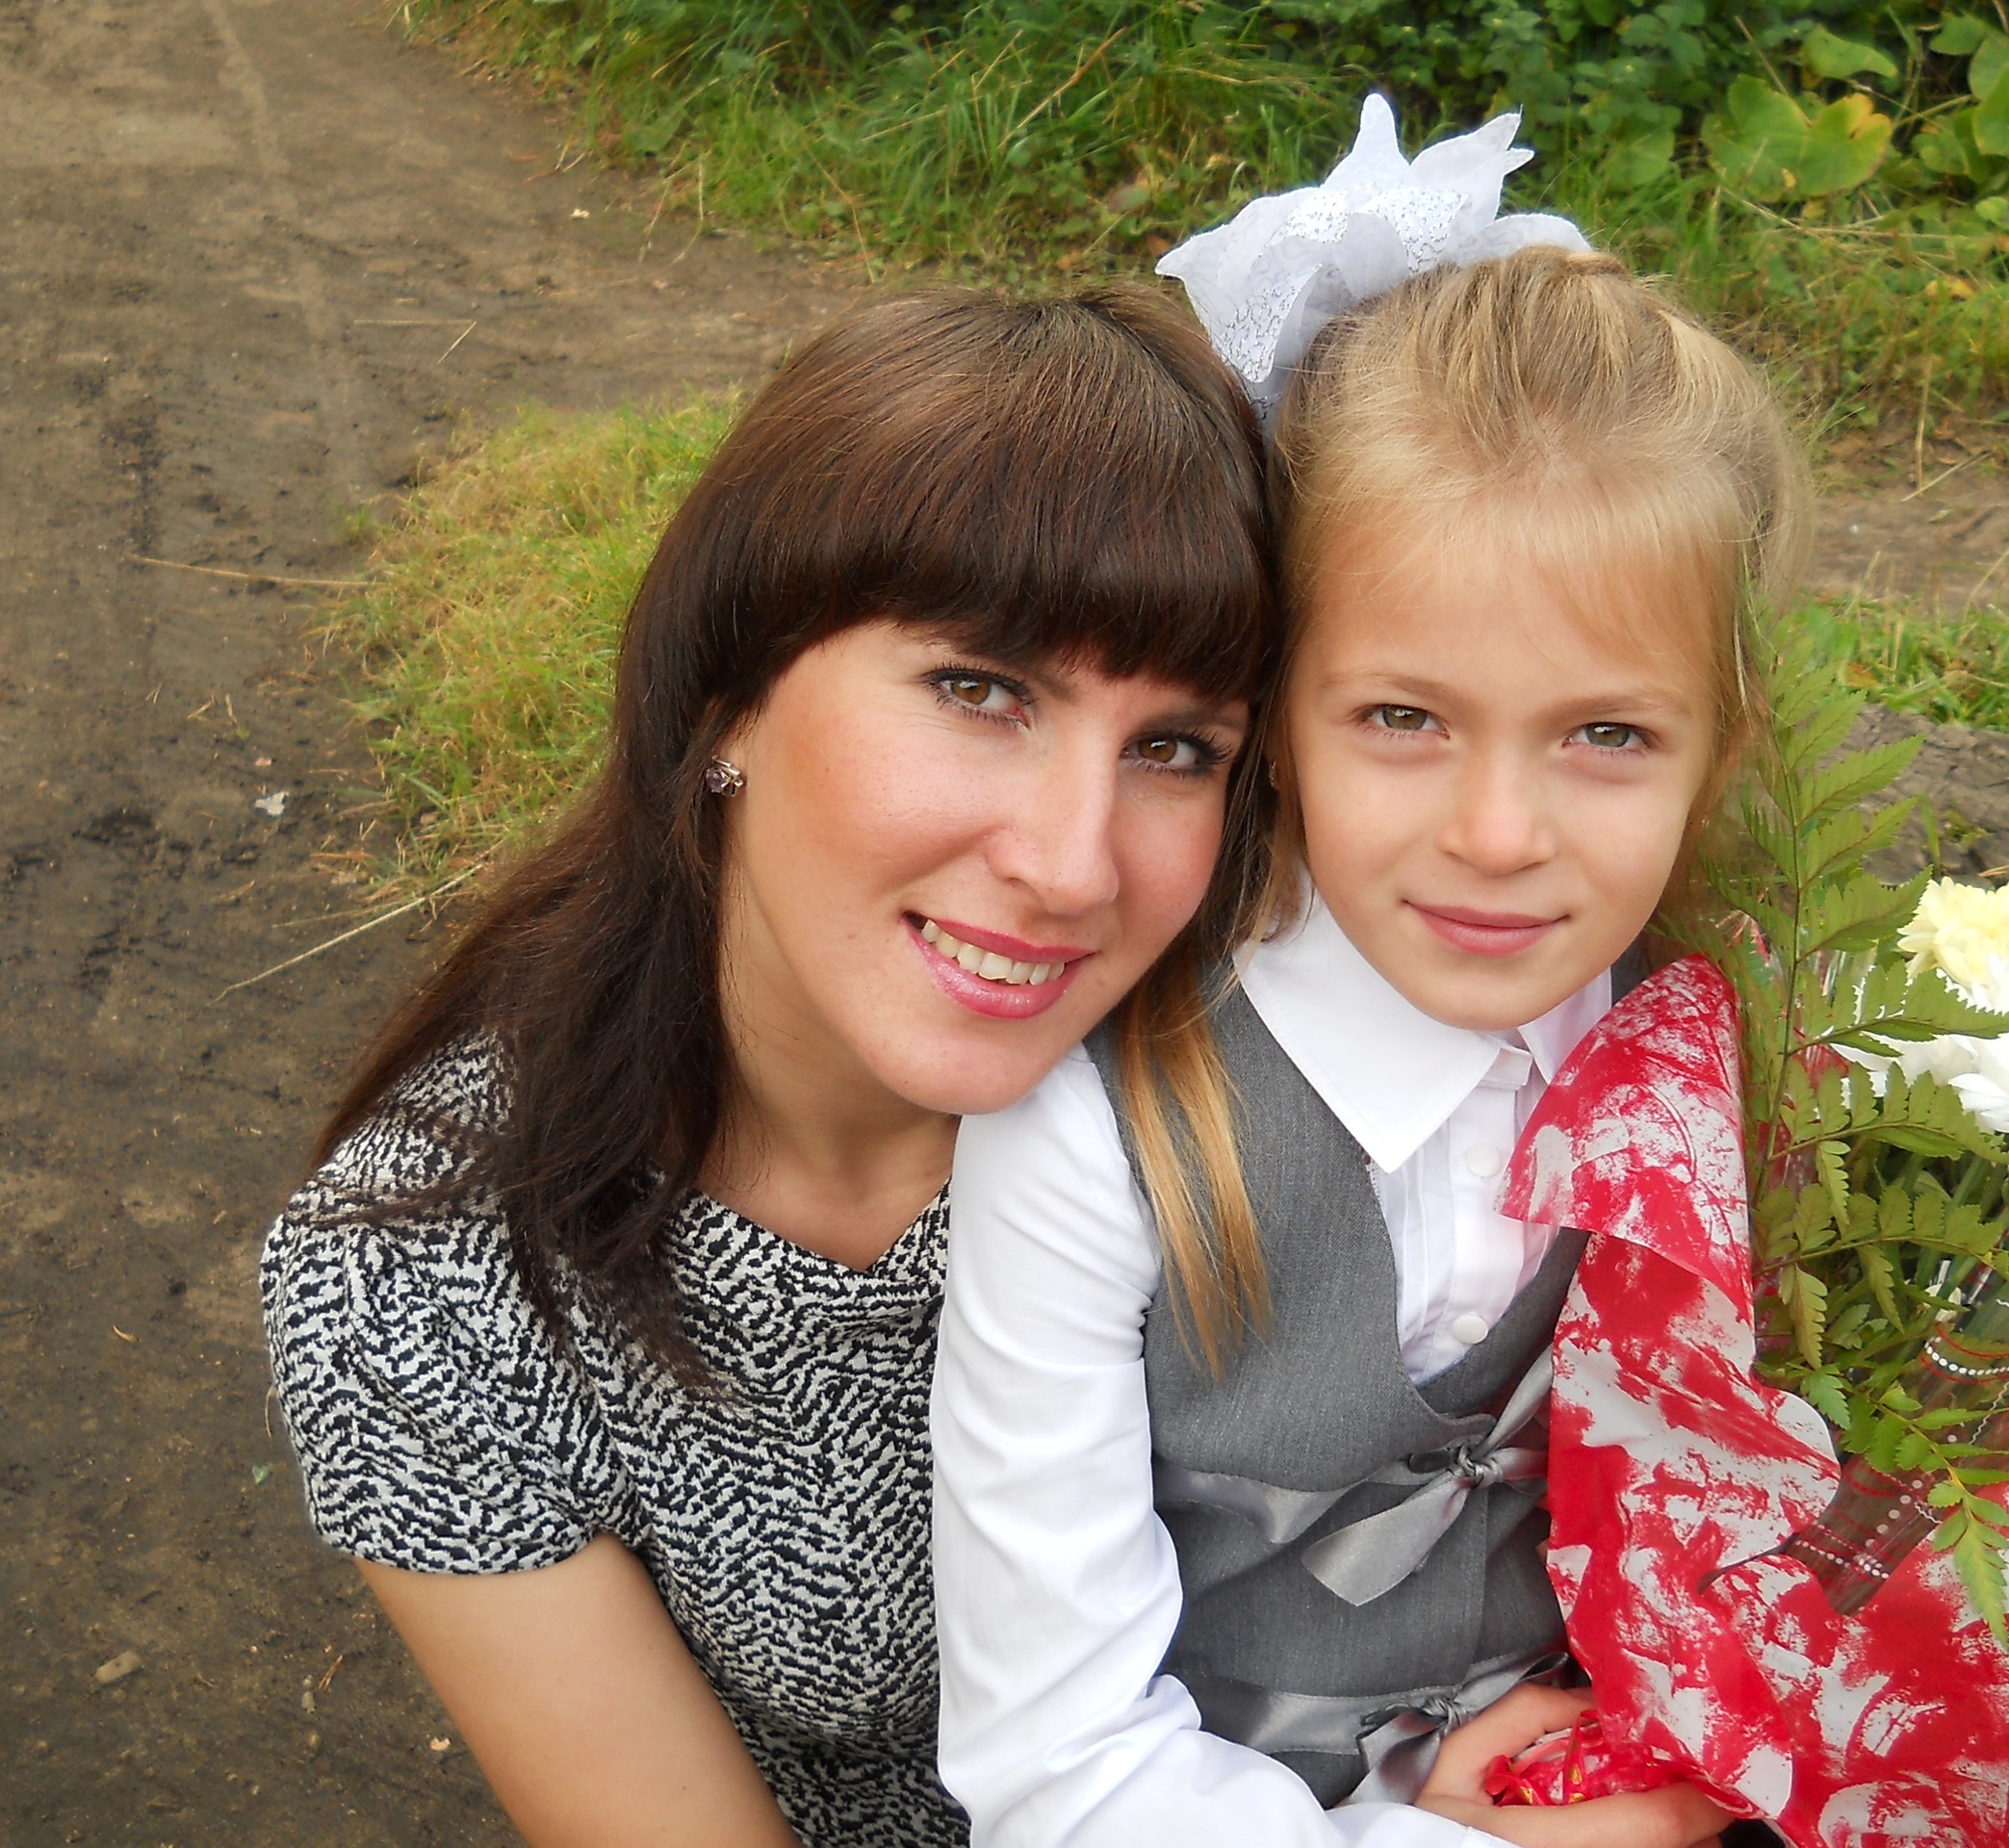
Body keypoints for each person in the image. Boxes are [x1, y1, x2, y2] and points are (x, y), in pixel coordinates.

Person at [259, 284, 1281, 1848]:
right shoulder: (428, 1277)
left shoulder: (1280, 1099)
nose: (1075, 866)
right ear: (726, 695)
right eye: (981, 691)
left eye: (1175, 749)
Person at [933, 100, 1808, 1847]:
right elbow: (1057, 1766)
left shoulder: (1736, 1052)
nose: (1499, 834)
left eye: (1608, 735)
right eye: (1404, 717)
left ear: (1720, 747)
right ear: (1276, 718)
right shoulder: (1103, 1129)